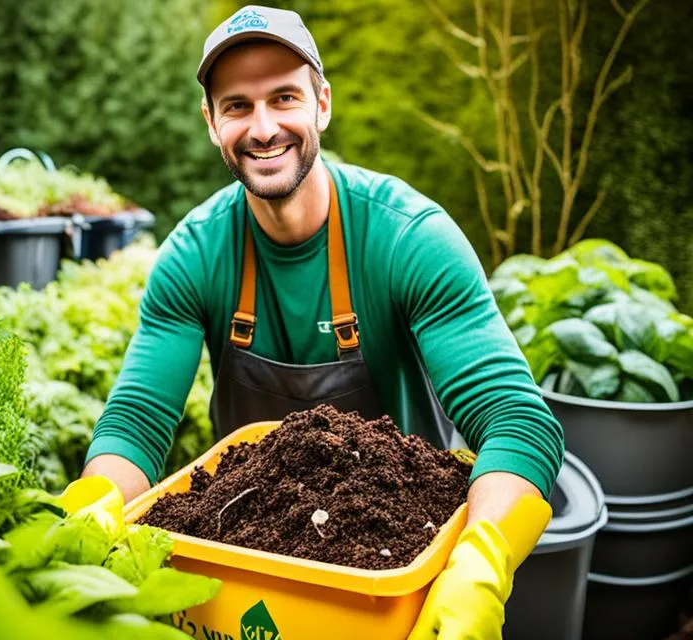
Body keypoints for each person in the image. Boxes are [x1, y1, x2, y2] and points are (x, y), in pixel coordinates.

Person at [81, 5, 564, 637]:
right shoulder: (194, 255)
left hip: (396, 578)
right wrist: (91, 513)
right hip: (247, 566)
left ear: (322, 104)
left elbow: (517, 420)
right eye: (237, 106)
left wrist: (480, 562)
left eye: (284, 97)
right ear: (211, 123)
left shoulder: (409, 239)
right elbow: (136, 423)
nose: (263, 128)